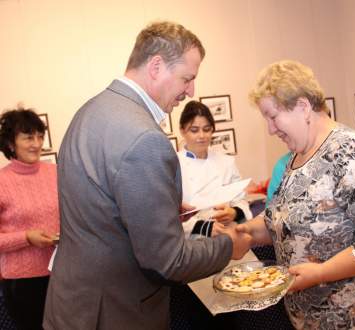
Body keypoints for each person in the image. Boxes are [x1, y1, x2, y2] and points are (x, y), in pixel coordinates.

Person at [43, 21, 252, 330]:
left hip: (74, 306)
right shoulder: (145, 138)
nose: (190, 91)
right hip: (116, 312)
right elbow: (167, 261)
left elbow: (104, 211)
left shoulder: (90, 110)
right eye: (187, 78)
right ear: (156, 66)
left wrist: (164, 212)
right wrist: (227, 247)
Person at [239, 59, 355, 329]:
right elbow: (284, 219)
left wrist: (322, 272)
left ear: (302, 106)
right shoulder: (298, 156)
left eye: (273, 116)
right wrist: (244, 233)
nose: (270, 129)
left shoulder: (348, 152)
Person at [0, 108, 59, 330]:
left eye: (39, 136)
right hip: (23, 283)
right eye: (28, 137)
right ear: (11, 143)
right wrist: (26, 237)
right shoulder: (2, 182)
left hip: (62, 274)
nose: (36, 143)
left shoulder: (55, 172)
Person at [178, 100, 252, 238]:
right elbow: (167, 214)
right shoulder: (173, 165)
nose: (202, 136)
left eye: (207, 129)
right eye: (194, 130)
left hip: (227, 235)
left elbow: (241, 200)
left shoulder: (226, 162)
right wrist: (202, 227)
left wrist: (233, 212)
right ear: (183, 130)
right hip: (192, 241)